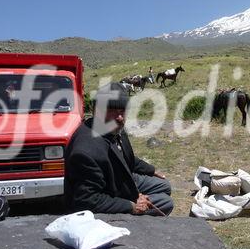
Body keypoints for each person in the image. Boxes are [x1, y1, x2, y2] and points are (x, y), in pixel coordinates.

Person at [64, 82, 173, 216]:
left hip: (120, 177)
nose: (120, 117)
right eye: (112, 110)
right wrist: (131, 205)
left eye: (122, 110)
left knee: (164, 185)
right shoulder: (86, 152)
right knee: (166, 202)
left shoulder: (113, 128)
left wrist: (151, 170)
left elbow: (127, 158)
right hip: (110, 191)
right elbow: (85, 200)